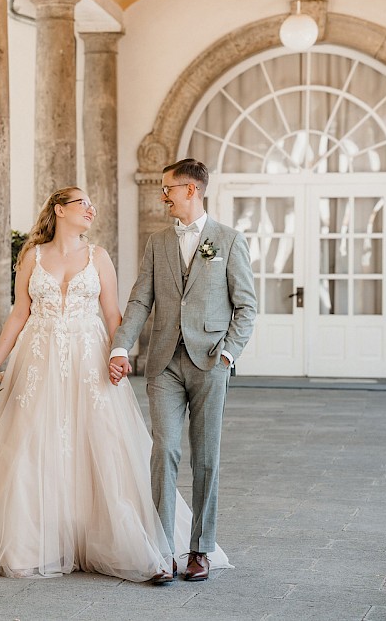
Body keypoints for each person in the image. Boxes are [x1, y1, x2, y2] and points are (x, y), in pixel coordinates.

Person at [0, 186, 231, 581]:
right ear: (60, 209)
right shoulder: (31, 256)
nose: (91, 209)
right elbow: (19, 313)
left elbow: (115, 313)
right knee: (33, 443)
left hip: (89, 359)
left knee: (102, 444)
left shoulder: (98, 256)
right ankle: (37, 542)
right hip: (39, 359)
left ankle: (125, 541)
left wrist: (120, 354)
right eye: (83, 203)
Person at [109, 158, 256, 583]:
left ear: (191, 190)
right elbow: (140, 301)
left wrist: (229, 354)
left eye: (168, 188)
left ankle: (200, 549)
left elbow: (246, 306)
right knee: (165, 451)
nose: (163, 195)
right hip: (164, 363)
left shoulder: (228, 240)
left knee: (206, 457)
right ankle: (160, 549)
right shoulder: (157, 243)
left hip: (211, 362)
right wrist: (121, 346)